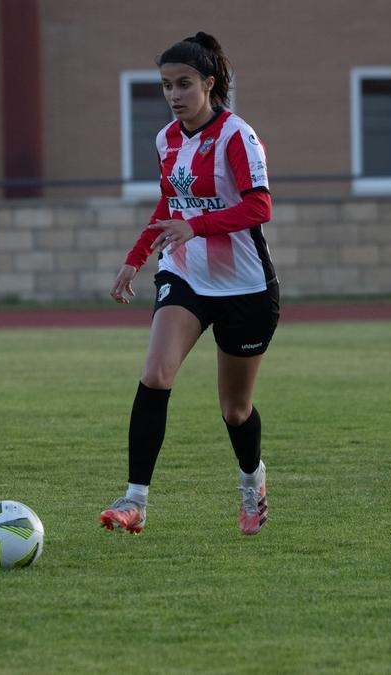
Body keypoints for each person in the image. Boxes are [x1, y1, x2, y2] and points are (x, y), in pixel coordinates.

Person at [99, 32, 279, 537]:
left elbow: (259, 206)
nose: (174, 95)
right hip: (185, 276)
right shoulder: (167, 139)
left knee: (235, 409)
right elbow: (167, 207)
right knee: (156, 373)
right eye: (165, 86)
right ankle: (135, 500)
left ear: (209, 83)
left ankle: (252, 482)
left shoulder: (237, 136)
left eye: (183, 84)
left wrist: (196, 225)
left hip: (245, 288)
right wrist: (134, 260)